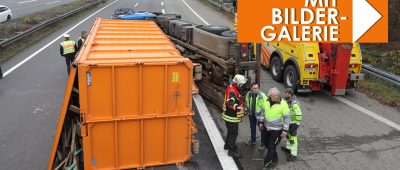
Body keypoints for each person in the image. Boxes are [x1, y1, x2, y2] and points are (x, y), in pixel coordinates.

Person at [257, 87, 290, 169]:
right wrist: (261, 122)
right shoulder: (266, 101)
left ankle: (266, 164)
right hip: (266, 127)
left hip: (276, 130)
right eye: (274, 95)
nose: (276, 96)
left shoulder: (283, 104)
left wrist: (285, 130)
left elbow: (287, 118)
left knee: (272, 146)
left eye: (277, 95)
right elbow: (262, 112)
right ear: (270, 96)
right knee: (265, 142)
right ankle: (274, 157)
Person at [222, 74, 247, 159]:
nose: (242, 86)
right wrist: (238, 107)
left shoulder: (232, 87)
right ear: (238, 83)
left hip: (229, 116)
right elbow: (230, 103)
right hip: (231, 117)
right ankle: (231, 151)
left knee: (230, 132)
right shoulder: (232, 91)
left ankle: (227, 145)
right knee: (233, 133)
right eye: (242, 84)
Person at [281, 88, 303, 161]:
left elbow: (299, 114)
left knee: (293, 139)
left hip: (293, 124)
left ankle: (293, 155)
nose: (285, 94)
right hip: (288, 123)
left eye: (286, 93)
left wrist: (297, 124)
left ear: (290, 94)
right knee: (288, 136)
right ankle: (288, 149)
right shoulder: (287, 101)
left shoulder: (294, 103)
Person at [245, 83, 267, 151]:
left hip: (259, 116)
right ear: (251, 88)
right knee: (252, 127)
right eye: (254, 88)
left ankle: (263, 143)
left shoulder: (262, 96)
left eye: (257, 88)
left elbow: (264, 108)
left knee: (262, 129)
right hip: (251, 115)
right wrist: (247, 110)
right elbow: (247, 103)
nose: (256, 89)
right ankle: (253, 140)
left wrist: (261, 120)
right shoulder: (248, 94)